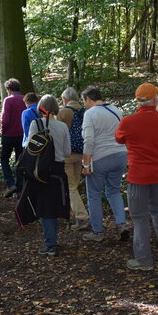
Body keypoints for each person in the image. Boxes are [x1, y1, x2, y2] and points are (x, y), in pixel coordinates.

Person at [116, 83, 158, 270]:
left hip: (138, 176)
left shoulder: (128, 122)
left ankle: (144, 260)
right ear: (155, 100)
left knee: (140, 216)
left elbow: (119, 138)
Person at [80, 86, 129, 242]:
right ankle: (121, 224)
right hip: (121, 155)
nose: (84, 105)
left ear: (88, 99)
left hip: (101, 158)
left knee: (94, 195)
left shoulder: (90, 114)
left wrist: (86, 165)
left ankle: (97, 232)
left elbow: (88, 140)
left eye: (84, 101)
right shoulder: (116, 110)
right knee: (113, 191)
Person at [25, 94, 72, 256]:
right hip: (58, 170)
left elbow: (31, 148)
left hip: (40, 170)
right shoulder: (62, 126)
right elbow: (67, 152)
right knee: (54, 205)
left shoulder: (35, 124)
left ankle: (51, 244)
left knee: (45, 208)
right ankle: (52, 240)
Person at [58, 86, 91, 231]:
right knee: (74, 186)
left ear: (65, 99)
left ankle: (82, 217)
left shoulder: (63, 112)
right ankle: (73, 215)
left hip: (67, 155)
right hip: (82, 153)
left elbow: (57, 133)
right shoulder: (86, 111)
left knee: (71, 187)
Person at [0, 78, 25, 197]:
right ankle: (19, 188)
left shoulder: (8, 100)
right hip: (22, 135)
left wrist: (3, 132)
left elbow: (5, 119)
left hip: (9, 135)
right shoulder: (24, 99)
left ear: (9, 89)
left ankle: (10, 184)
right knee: (19, 160)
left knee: (4, 159)